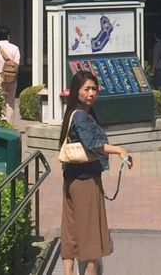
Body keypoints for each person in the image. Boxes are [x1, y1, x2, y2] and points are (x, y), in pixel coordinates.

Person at [60, 70, 133, 275]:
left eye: (94, 89)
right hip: (85, 180)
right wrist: (119, 150)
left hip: (71, 179)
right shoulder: (82, 115)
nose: (91, 93)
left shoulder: (74, 113)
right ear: (77, 91)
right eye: (87, 89)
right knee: (91, 234)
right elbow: (93, 144)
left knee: (71, 229)